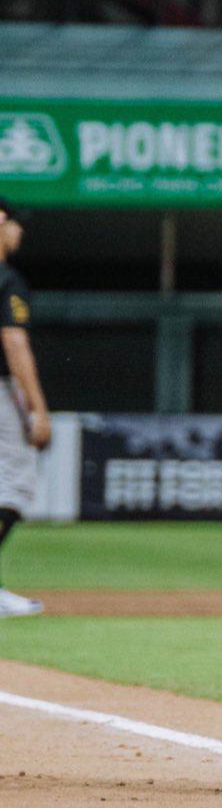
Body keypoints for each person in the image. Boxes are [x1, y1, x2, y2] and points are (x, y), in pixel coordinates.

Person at [0, 200, 50, 618]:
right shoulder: (6, 278)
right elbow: (15, 344)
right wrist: (38, 409)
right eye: (15, 224)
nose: (19, 233)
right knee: (13, 486)